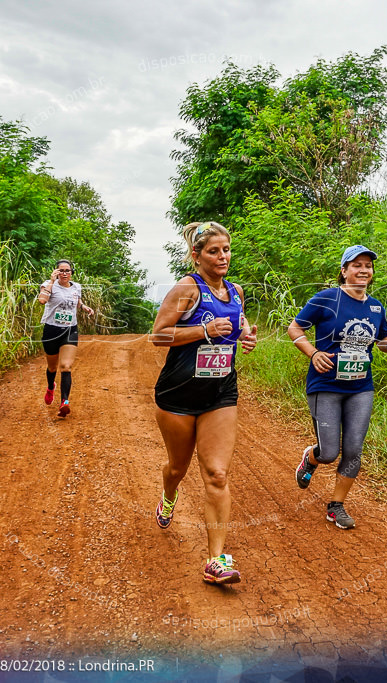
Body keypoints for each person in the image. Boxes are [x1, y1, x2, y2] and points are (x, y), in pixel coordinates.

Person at [150, 221, 257, 585]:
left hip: (219, 393)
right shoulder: (187, 288)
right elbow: (158, 335)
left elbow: (237, 322)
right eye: (214, 251)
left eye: (226, 250)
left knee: (217, 473)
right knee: (178, 469)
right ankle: (168, 495)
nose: (222, 257)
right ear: (196, 256)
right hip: (177, 395)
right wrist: (204, 331)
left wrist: (246, 335)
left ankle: (216, 559)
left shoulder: (236, 291)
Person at [287, 245, 387, 529]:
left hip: (361, 387)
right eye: (357, 265)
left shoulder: (375, 307)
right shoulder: (326, 299)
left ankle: (336, 505)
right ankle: (311, 458)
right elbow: (294, 328)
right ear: (344, 271)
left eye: (368, 266)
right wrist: (313, 353)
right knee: (329, 453)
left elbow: (382, 339)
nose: (363, 270)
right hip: (325, 384)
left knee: (353, 449)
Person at [37, 259, 94, 417]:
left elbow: (77, 302)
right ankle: (50, 387)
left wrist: (84, 307)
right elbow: (42, 300)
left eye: (67, 270)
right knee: (52, 367)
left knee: (66, 366)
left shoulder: (76, 287)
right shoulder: (48, 284)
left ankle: (64, 402)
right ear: (56, 272)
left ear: (71, 272)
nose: (64, 273)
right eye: (60, 270)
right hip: (51, 330)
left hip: (70, 330)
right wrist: (51, 281)